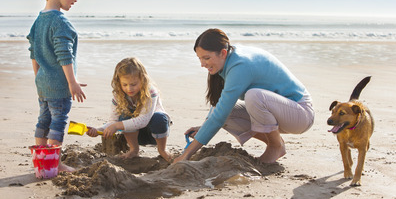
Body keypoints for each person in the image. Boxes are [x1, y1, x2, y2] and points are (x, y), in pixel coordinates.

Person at [174, 28, 314, 164]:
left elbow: (219, 116)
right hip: (278, 112)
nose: (202, 64)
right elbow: (221, 107)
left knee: (254, 96)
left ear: (222, 53)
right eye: (199, 58)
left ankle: (275, 146)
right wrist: (203, 128)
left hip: (300, 113)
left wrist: (187, 154)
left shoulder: (240, 65)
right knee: (228, 111)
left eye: (206, 58)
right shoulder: (228, 57)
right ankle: (277, 143)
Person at [27, 0, 86, 172]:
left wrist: (39, 78)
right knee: (58, 121)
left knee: (43, 119)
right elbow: (65, 55)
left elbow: (33, 53)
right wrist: (72, 82)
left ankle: (41, 159)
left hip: (42, 83)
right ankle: (55, 163)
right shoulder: (60, 22)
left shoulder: (38, 21)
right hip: (59, 85)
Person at [87, 57, 172, 162]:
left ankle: (162, 149)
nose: (129, 89)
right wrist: (99, 130)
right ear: (119, 82)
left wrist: (117, 125)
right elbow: (113, 121)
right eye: (125, 85)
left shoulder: (150, 92)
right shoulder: (118, 96)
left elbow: (143, 120)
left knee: (159, 117)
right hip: (136, 136)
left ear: (143, 79)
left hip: (155, 133)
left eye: (133, 84)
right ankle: (134, 149)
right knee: (123, 114)